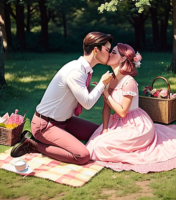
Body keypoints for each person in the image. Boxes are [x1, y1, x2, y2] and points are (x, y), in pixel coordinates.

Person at [86, 43, 176, 173]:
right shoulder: (110, 79)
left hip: (135, 125)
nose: (109, 54)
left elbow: (123, 112)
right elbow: (106, 108)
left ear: (123, 59)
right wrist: (105, 128)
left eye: (114, 52)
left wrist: (105, 93)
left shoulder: (129, 82)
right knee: (95, 142)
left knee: (100, 146)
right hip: (117, 122)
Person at [10, 32, 114, 165]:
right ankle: (32, 144)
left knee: (100, 132)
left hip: (65, 121)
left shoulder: (83, 69)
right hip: (45, 125)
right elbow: (87, 103)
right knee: (82, 156)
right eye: (107, 50)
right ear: (95, 50)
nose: (109, 54)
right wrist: (102, 83)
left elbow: (85, 97)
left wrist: (103, 88)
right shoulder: (76, 71)